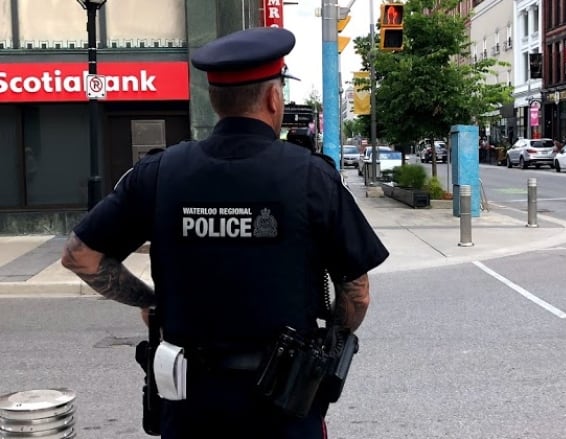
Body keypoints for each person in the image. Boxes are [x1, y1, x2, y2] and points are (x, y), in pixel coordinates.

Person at [61, 27, 389, 438]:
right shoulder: (310, 177)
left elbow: (80, 256)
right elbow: (356, 292)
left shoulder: (160, 174)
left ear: (215, 101)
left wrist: (152, 303)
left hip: (190, 409)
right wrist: (333, 340)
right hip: (285, 406)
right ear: (273, 98)